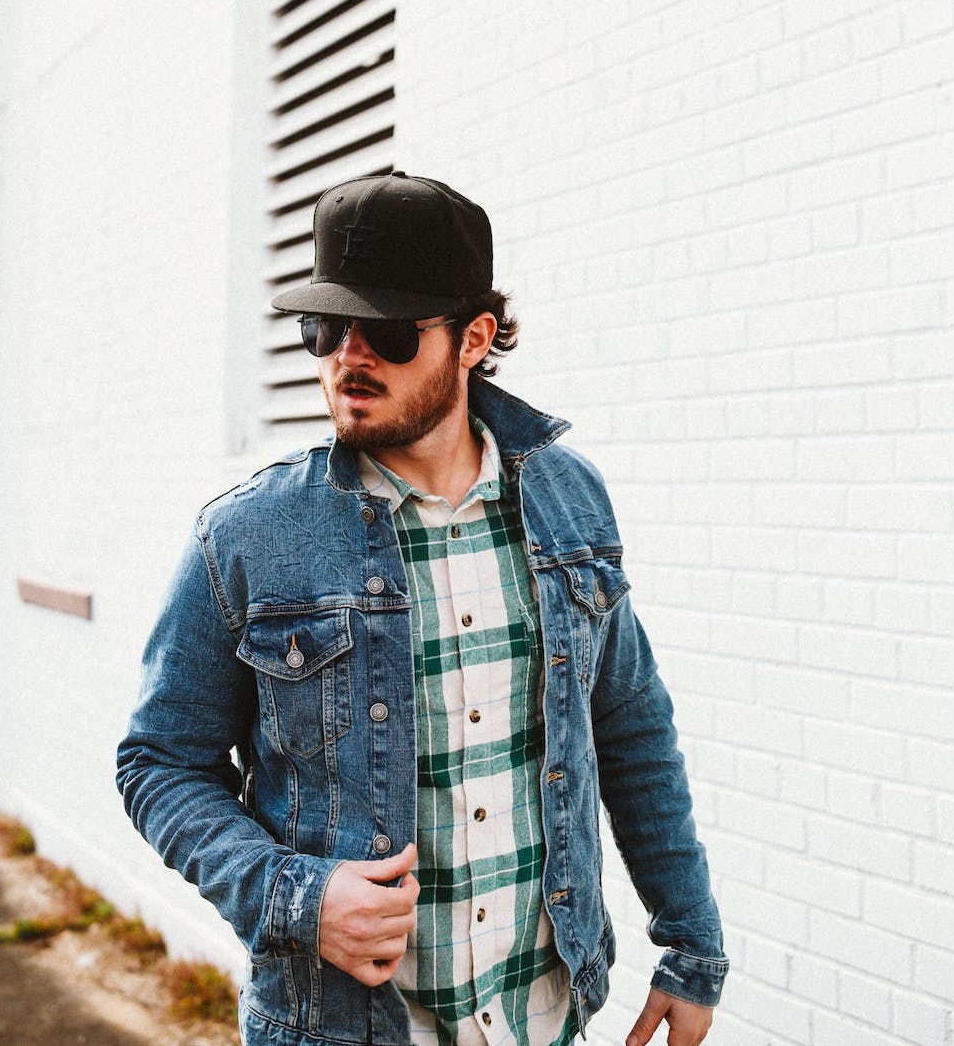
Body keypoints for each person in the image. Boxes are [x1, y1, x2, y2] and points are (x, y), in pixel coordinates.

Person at [117, 172, 727, 1046]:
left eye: (390, 332)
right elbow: (158, 762)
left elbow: (629, 728)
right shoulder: (247, 537)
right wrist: (297, 894)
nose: (347, 358)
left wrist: (690, 946)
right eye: (324, 328)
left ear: (474, 338)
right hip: (344, 1028)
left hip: (543, 1018)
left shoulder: (568, 500)